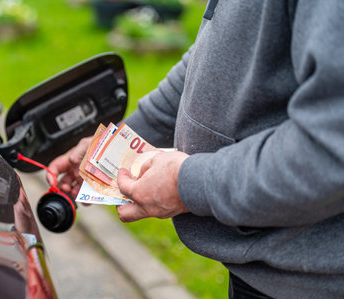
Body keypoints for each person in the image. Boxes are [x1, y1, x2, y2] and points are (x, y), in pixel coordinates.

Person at [48, 1, 344, 297]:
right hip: (265, 270)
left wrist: (187, 183)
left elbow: (328, 145)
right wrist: (116, 147)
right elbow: (223, 51)